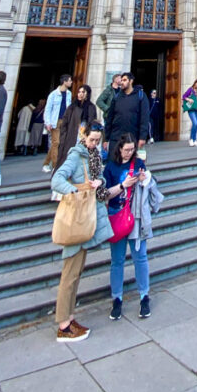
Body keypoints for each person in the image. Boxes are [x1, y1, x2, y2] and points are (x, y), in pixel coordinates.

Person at [51, 122, 112, 342]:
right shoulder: (76, 156)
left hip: (88, 218)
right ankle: (64, 326)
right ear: (83, 136)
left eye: (97, 140)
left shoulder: (95, 156)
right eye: (92, 139)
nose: (94, 143)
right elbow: (57, 180)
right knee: (69, 274)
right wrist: (75, 191)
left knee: (75, 274)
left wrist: (99, 182)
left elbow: (102, 180)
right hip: (76, 218)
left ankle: (69, 318)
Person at [103, 133, 163, 320]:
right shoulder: (110, 168)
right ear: (119, 149)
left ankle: (144, 296)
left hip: (135, 217)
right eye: (126, 149)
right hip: (116, 216)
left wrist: (144, 178)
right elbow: (103, 194)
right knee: (117, 260)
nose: (129, 153)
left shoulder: (138, 164)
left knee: (141, 257)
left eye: (132, 150)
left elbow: (148, 187)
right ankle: (117, 299)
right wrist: (123, 185)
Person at [104, 73, 150, 157]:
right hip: (116, 137)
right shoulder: (117, 97)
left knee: (130, 165)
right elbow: (110, 117)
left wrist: (142, 137)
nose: (121, 82)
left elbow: (144, 118)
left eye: (124, 80)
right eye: (121, 80)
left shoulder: (141, 96)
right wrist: (106, 138)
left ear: (131, 81)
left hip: (132, 137)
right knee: (113, 163)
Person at [57, 85, 97, 169]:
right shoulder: (72, 107)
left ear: (87, 94)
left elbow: (92, 123)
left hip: (84, 137)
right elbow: (64, 123)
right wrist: (63, 137)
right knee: (66, 160)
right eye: (79, 92)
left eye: (83, 92)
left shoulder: (91, 107)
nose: (80, 94)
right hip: (70, 137)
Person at [42, 74, 73, 173]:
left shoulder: (69, 94)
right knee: (56, 143)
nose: (71, 82)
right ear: (64, 82)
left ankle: (46, 164)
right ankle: (56, 165)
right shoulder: (53, 94)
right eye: (69, 80)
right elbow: (48, 109)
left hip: (65, 121)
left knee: (56, 144)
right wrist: (47, 122)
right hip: (55, 121)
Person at [182, 79, 197, 146]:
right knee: (195, 123)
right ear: (194, 83)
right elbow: (184, 96)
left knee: (196, 124)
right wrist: (189, 99)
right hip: (191, 109)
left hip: (196, 109)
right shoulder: (190, 89)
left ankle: (194, 139)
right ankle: (191, 139)